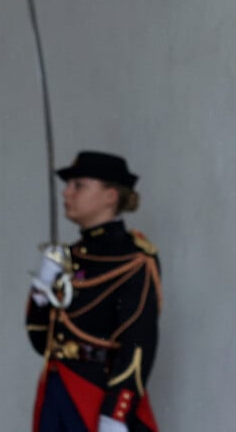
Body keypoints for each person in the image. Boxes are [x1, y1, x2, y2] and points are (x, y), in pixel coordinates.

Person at [26, 151, 162, 432]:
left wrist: (116, 413)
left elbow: (138, 342)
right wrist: (41, 291)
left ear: (110, 195)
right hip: (56, 390)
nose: (67, 193)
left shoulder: (133, 257)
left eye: (79, 185)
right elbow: (42, 341)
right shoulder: (69, 257)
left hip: (97, 394)